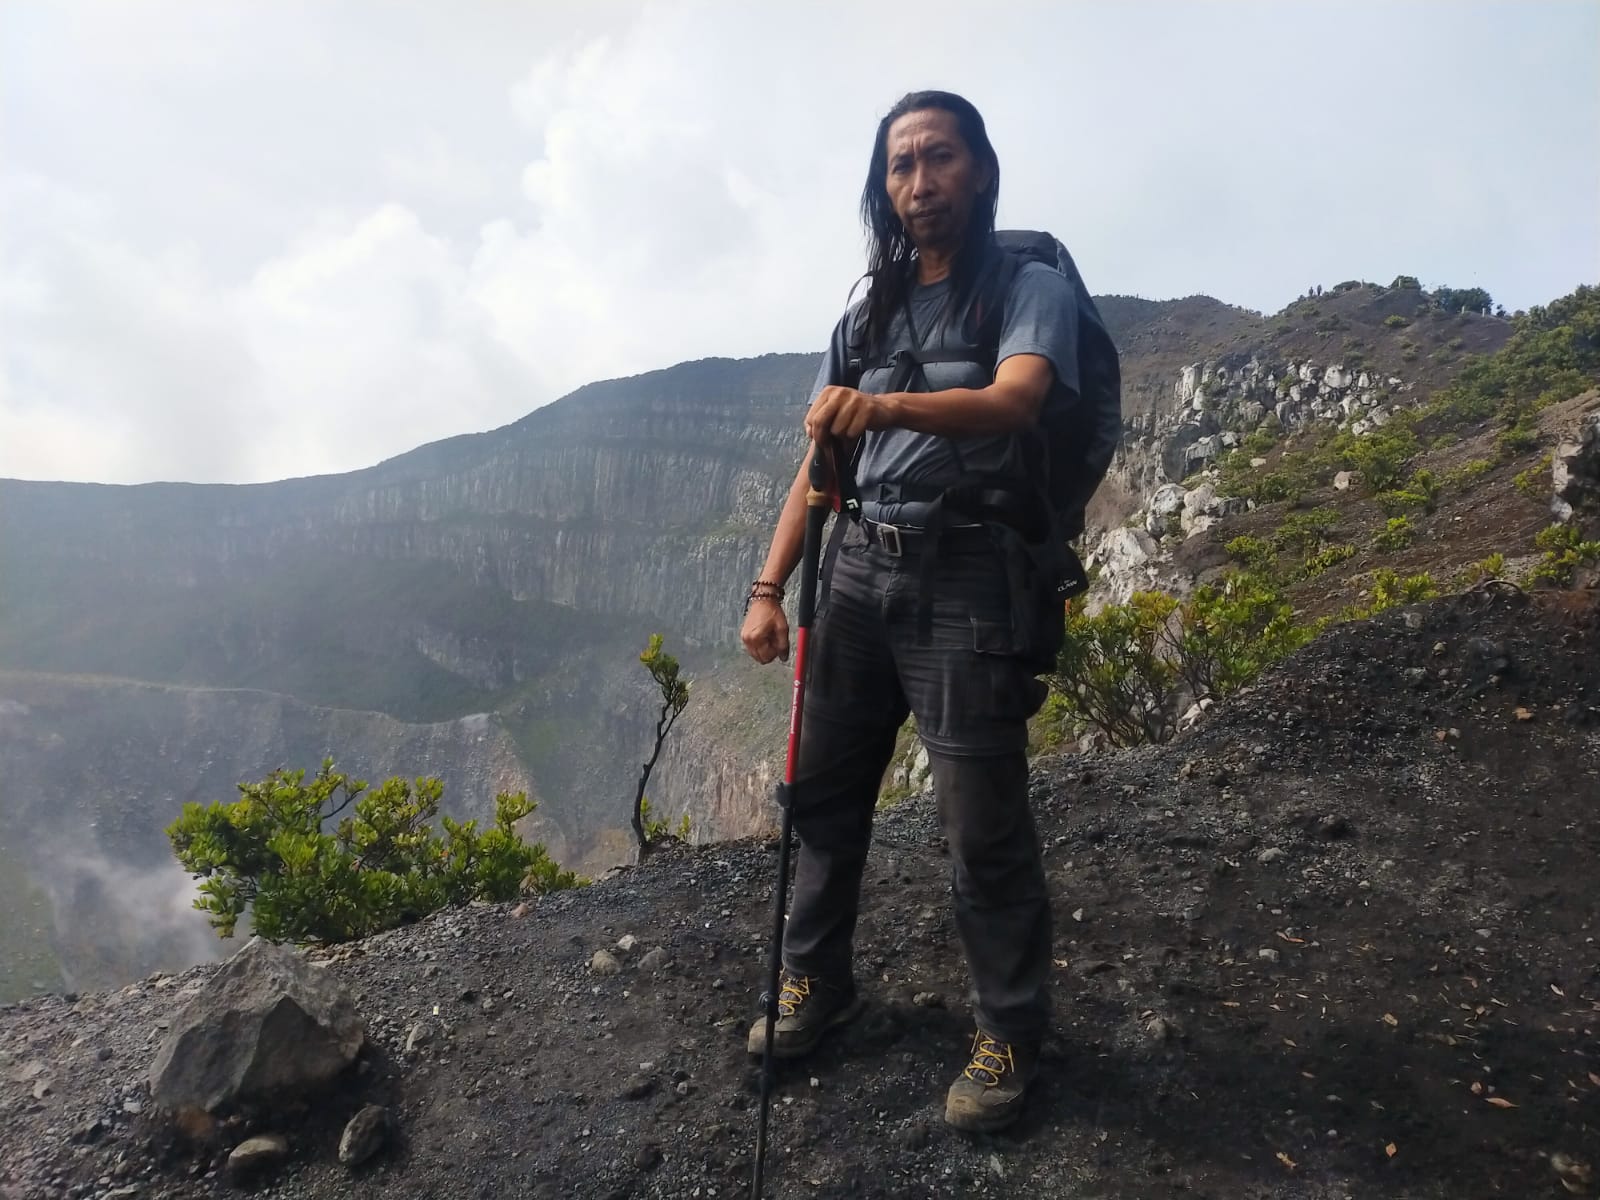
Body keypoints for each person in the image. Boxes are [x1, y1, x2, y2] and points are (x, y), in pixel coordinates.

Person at [739, 90, 1082, 1133]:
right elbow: (820, 458)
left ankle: (1011, 1031)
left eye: (938, 159)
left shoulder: (1026, 289)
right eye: (899, 166)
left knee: (981, 825)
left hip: (968, 573)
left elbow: (1016, 398)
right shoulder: (866, 307)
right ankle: (812, 981)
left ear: (979, 169)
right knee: (821, 794)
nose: (919, 183)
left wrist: (882, 405)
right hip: (853, 572)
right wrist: (767, 588)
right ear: (881, 186)